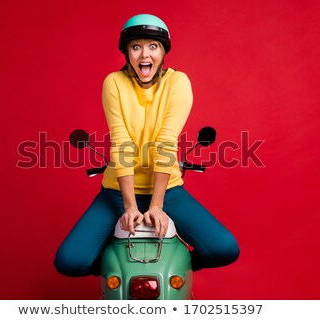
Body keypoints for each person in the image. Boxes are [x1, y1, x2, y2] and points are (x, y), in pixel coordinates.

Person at [54, 14, 239, 277]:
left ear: (163, 52)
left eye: (153, 46)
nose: (145, 54)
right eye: (136, 46)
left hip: (168, 191)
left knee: (224, 248)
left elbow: (166, 142)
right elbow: (121, 142)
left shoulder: (178, 83)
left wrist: (157, 205)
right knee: (69, 261)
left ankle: (175, 268)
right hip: (117, 192)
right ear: (127, 52)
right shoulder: (114, 83)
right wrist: (129, 206)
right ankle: (117, 271)